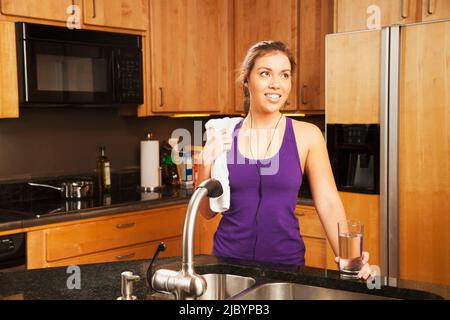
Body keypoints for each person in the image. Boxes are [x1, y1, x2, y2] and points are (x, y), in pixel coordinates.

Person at [198, 40, 375, 280]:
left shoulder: (307, 135)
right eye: (265, 73)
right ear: (246, 79)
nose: (276, 84)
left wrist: (349, 259)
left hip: (286, 268)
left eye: (284, 75)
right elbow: (207, 212)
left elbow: (329, 203)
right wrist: (205, 161)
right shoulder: (223, 134)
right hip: (228, 266)